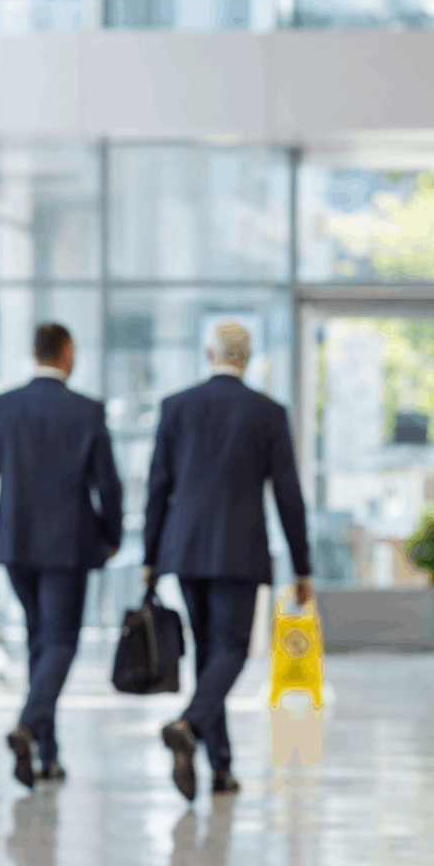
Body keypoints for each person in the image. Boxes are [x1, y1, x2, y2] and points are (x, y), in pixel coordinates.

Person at [143, 319, 312, 801]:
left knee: (208, 653)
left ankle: (220, 767)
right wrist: (302, 566)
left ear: (208, 354)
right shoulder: (267, 412)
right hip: (240, 551)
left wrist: (151, 556)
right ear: (248, 357)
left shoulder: (176, 406)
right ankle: (190, 725)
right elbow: (288, 495)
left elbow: (158, 486)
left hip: (185, 549)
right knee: (232, 650)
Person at [0, 322, 123, 787]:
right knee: (61, 642)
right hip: (69, 545)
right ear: (66, 352)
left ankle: (47, 755)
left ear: (34, 353)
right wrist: (112, 536)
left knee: (39, 642)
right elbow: (108, 484)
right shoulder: (86, 411)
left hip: (16, 544)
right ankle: (29, 727)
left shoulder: (1, 408)